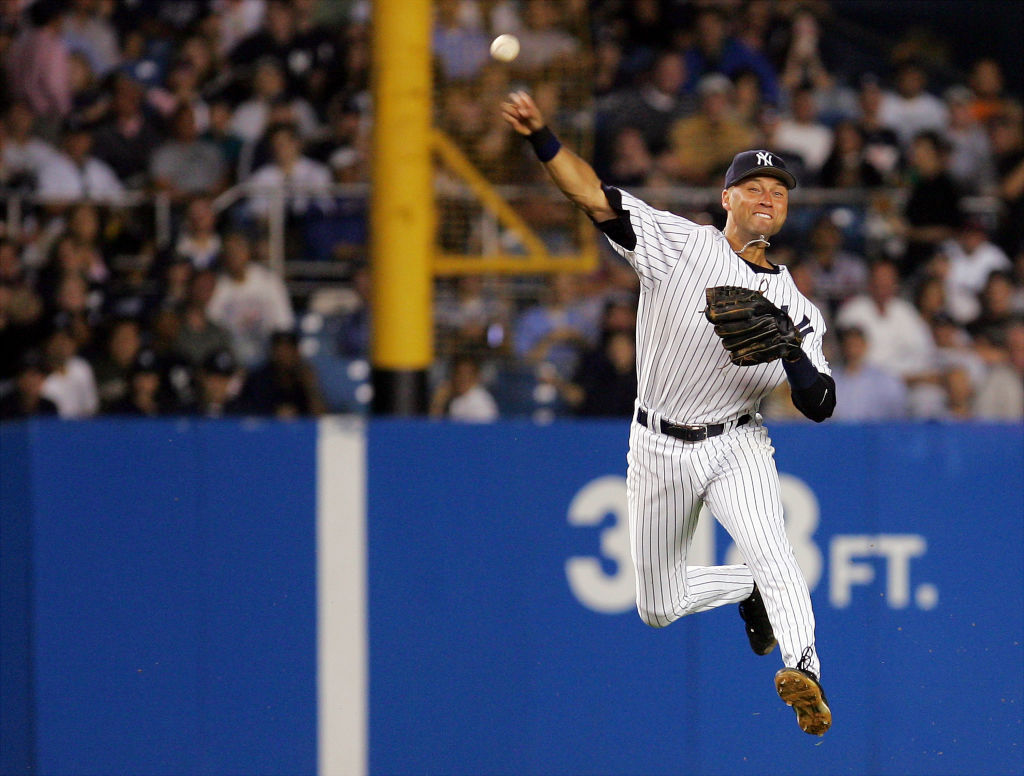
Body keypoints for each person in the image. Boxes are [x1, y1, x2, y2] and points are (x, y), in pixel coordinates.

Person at [501, 90, 835, 735]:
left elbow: (820, 405)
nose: (768, 198)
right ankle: (747, 589)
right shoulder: (677, 243)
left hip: (738, 443)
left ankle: (806, 670)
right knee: (658, 604)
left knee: (777, 554)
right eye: (755, 186)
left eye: (780, 191)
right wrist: (542, 136)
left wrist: (793, 354)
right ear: (727, 198)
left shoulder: (799, 307)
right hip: (657, 443)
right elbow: (593, 196)